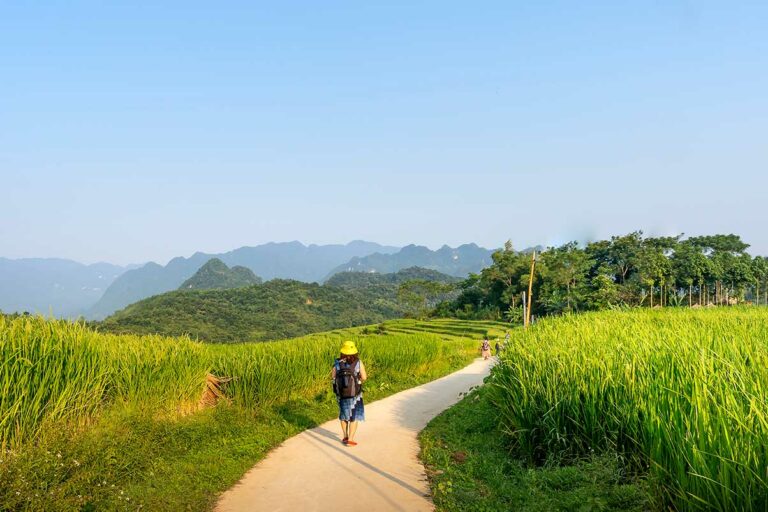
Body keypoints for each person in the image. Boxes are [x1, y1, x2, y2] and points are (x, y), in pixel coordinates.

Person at [332, 341, 367, 446]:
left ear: (342, 351)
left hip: (341, 394)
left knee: (343, 415)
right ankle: (350, 439)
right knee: (354, 416)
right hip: (355, 394)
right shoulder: (358, 362)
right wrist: (357, 379)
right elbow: (364, 377)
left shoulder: (337, 363)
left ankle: (345, 436)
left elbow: (333, 377)